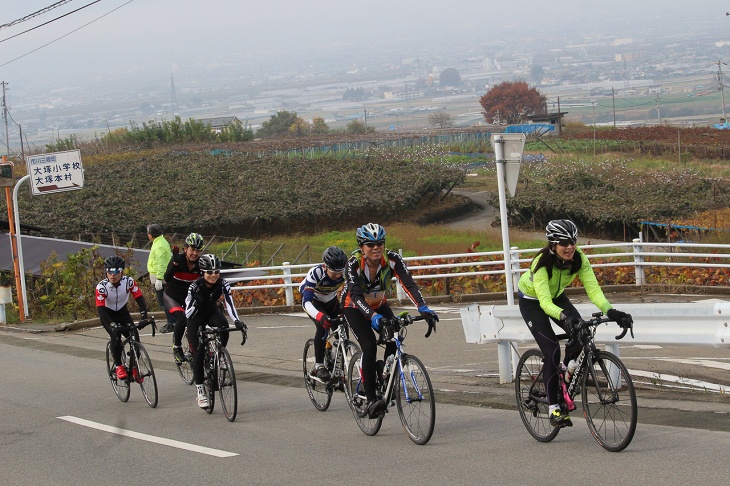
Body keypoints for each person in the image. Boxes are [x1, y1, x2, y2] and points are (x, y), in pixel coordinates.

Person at [517, 219, 633, 428]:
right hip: (533, 302)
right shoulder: (541, 263)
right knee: (552, 351)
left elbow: (594, 290)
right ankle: (554, 409)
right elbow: (544, 302)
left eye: (572, 241)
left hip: (558, 296)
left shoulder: (579, 259)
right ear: (553, 245)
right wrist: (563, 317)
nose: (570, 247)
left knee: (582, 332)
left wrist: (611, 311)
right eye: (564, 242)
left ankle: (568, 372)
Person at [340, 223, 439, 418]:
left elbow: (408, 283)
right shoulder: (352, 264)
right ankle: (370, 399)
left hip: (378, 305)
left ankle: (384, 375)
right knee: (369, 346)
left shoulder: (392, 259)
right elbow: (356, 295)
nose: (376, 247)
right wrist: (372, 316)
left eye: (380, 243)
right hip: (354, 307)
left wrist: (422, 307)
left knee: (395, 336)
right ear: (362, 247)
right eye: (370, 244)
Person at [185, 254, 246, 408]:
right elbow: (188, 313)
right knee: (198, 352)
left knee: (224, 326)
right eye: (209, 272)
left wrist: (237, 321)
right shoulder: (195, 287)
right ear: (202, 272)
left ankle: (219, 353)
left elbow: (230, 304)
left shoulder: (223, 283)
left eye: (216, 272)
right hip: (195, 315)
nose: (213, 275)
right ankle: (200, 392)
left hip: (211, 311)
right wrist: (196, 303)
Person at [95, 255, 150, 380]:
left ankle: (134, 367)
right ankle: (119, 366)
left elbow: (140, 300)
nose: (112, 275)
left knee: (135, 338)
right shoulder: (101, 287)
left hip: (123, 313)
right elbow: (101, 310)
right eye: (109, 271)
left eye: (116, 271)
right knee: (116, 337)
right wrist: (112, 325)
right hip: (108, 316)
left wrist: (144, 318)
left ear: (122, 272)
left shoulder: (129, 282)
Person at [299, 246, 348, 382]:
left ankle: (338, 366)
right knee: (323, 326)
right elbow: (306, 302)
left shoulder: (346, 272)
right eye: (334, 273)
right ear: (325, 266)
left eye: (340, 272)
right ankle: (319, 366)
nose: (338, 276)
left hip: (331, 300)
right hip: (313, 301)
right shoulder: (316, 273)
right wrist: (319, 316)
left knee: (343, 329)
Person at [165, 232, 204, 361]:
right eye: (192, 249)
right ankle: (177, 347)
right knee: (182, 319)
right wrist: (174, 265)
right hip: (172, 297)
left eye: (198, 251)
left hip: (189, 298)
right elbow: (166, 278)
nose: (195, 253)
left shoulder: (200, 265)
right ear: (185, 248)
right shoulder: (178, 260)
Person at [146, 223, 175, 332]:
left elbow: (161, 263)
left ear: (152, 234)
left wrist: (158, 279)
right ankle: (171, 322)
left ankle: (172, 323)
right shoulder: (159, 242)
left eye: (148, 233)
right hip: (160, 275)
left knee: (164, 302)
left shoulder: (159, 245)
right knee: (165, 301)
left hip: (161, 278)